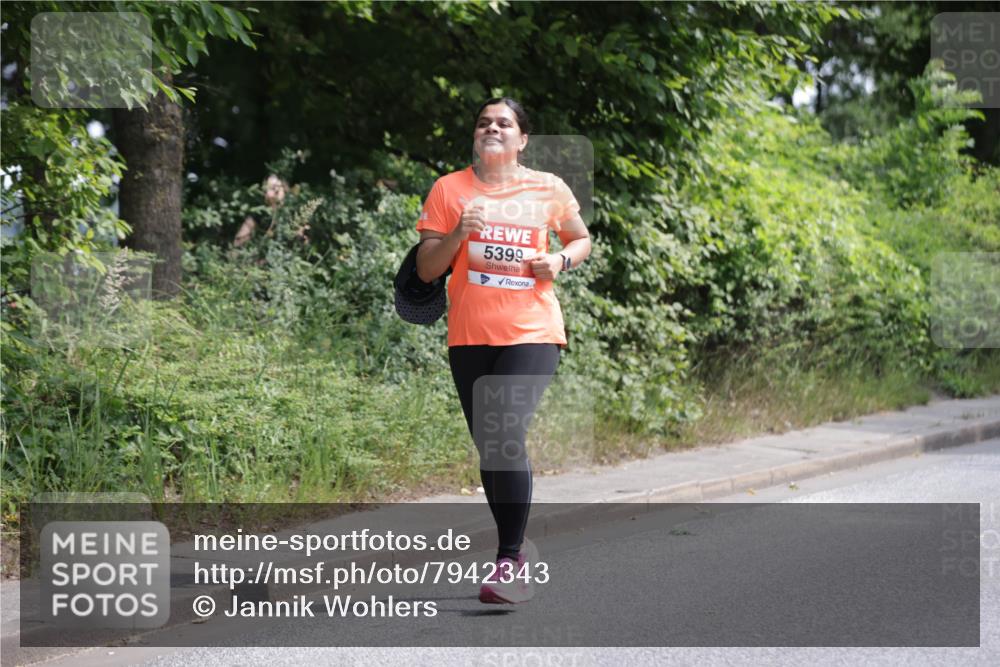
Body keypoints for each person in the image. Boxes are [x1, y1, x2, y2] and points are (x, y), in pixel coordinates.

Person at [415, 98, 592, 604]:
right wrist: (458, 234)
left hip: (532, 330)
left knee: (505, 432)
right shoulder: (449, 190)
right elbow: (428, 269)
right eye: (484, 122)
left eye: (504, 122)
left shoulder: (547, 187)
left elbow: (581, 239)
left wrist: (559, 259)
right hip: (469, 335)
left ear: (522, 139)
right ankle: (515, 548)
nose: (492, 127)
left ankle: (510, 559)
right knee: (492, 448)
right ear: (476, 135)